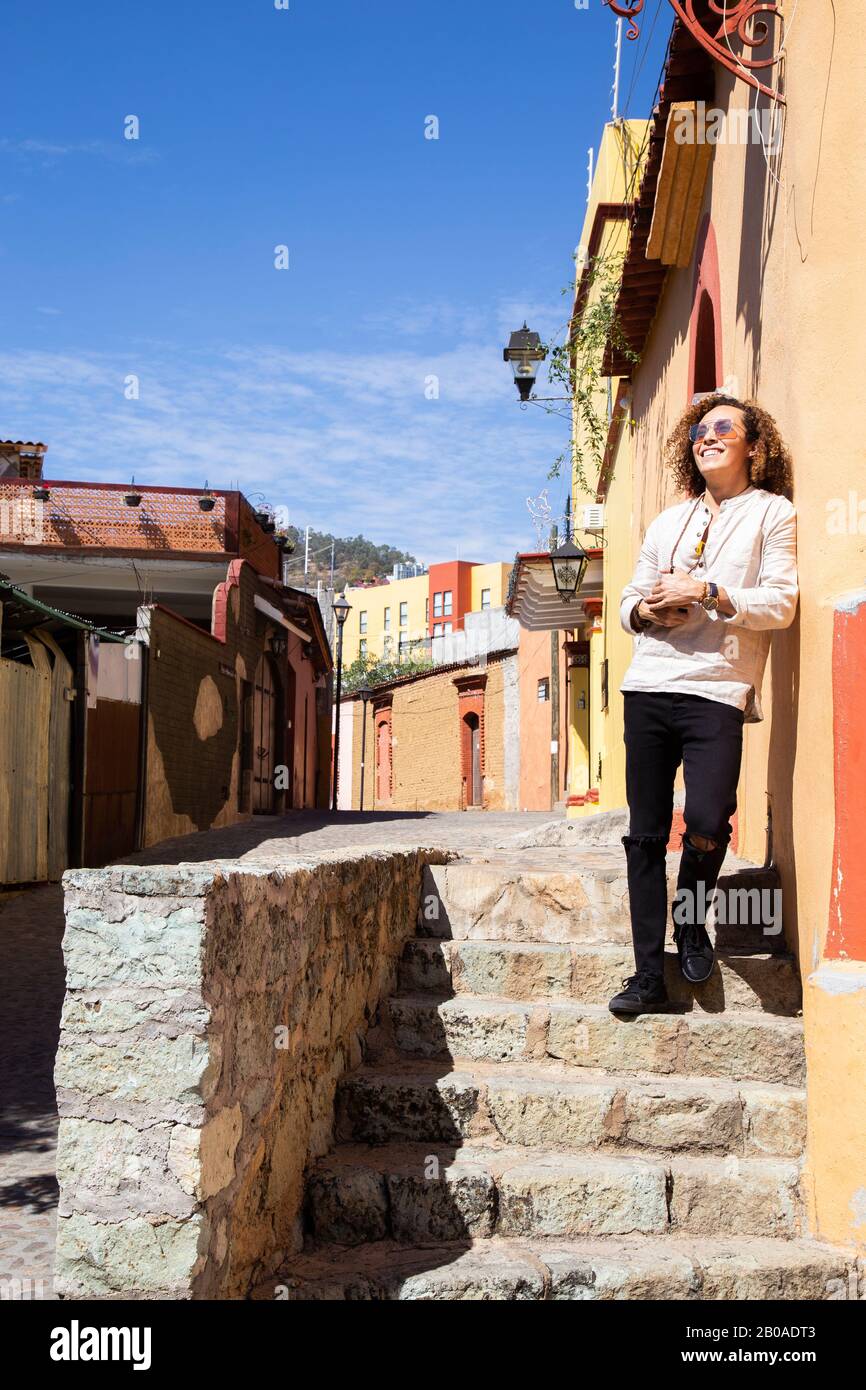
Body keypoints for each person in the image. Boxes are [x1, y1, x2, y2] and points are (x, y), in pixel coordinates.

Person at [609, 394, 798, 1015]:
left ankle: (691, 922)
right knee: (644, 833)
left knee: (712, 819)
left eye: (724, 428)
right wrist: (648, 609)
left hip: (718, 686)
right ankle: (646, 976)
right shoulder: (669, 522)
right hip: (651, 685)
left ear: (754, 447)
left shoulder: (773, 515)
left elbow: (782, 604)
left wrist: (709, 592)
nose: (707, 436)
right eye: (698, 430)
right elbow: (627, 600)